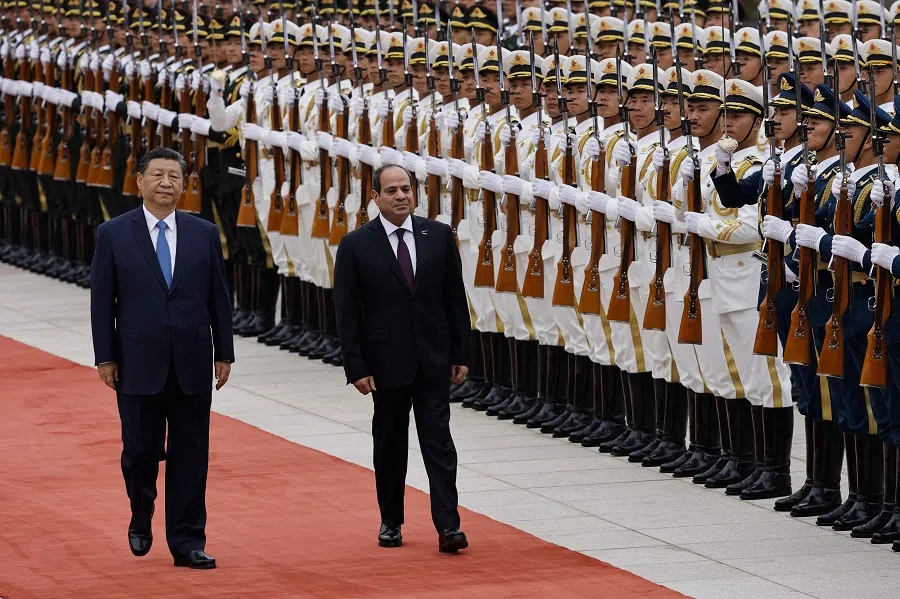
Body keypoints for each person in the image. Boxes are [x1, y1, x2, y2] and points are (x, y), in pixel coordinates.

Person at [89, 147, 234, 570]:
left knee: (191, 454)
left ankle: (188, 540)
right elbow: (103, 302)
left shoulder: (203, 232)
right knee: (139, 451)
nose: (166, 183)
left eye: (175, 176)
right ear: (139, 181)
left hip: (191, 360)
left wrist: (223, 351)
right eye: (158, 175)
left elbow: (218, 298)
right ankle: (141, 507)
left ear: (184, 185)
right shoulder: (113, 233)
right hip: (136, 361)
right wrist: (105, 357)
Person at [333, 164, 471, 553]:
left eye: (406, 189)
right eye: (391, 190)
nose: (400, 196)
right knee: (390, 445)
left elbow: (454, 300)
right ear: (374, 196)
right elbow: (346, 311)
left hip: (433, 359)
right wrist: (355, 366)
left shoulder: (439, 236)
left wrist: (461, 352)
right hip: (385, 363)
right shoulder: (357, 244)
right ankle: (391, 521)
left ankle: (449, 527)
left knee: (439, 444)